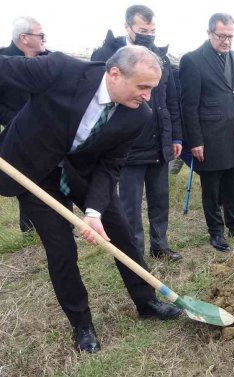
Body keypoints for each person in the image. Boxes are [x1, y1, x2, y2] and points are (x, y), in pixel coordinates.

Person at [0, 46, 183, 353]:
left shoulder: (139, 115)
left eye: (152, 89)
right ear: (115, 74)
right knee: (61, 250)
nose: (147, 96)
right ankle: (82, 324)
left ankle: (147, 302)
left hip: (82, 175)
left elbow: (110, 165)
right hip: (32, 172)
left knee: (122, 234)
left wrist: (95, 211)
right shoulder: (61, 70)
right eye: (143, 87)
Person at [91, 5, 183, 262]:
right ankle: (134, 255)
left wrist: (175, 136)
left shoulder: (159, 59)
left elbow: (171, 99)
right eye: (143, 30)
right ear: (127, 27)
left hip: (159, 141)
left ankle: (160, 245)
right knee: (129, 206)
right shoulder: (108, 55)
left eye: (152, 31)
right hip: (127, 146)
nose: (148, 36)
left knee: (160, 200)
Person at [180, 13, 234, 251]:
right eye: (221, 35)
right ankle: (216, 232)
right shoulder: (192, 60)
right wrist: (195, 141)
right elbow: (189, 106)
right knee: (211, 189)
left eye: (230, 36)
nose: (226, 40)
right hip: (209, 137)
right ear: (209, 33)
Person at [0, 16, 51, 233]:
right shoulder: (4, 61)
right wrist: (15, 121)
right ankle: (29, 226)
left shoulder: (48, 59)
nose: (44, 39)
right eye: (40, 35)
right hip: (18, 133)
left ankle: (65, 223)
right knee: (25, 176)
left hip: (49, 130)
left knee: (54, 173)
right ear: (24, 38)